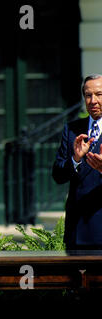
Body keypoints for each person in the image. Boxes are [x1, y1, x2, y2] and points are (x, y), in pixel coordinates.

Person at [53, 74, 102, 249]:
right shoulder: (72, 129)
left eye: (99, 94)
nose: (93, 100)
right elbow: (58, 175)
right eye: (88, 95)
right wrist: (75, 159)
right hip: (78, 231)